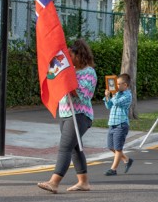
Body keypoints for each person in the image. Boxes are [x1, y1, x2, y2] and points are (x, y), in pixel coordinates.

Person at [37, 39, 97, 193]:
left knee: (65, 147)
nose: (69, 59)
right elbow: (51, 77)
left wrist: (66, 78)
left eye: (71, 56)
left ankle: (54, 182)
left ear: (80, 55)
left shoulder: (89, 72)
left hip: (80, 115)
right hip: (65, 113)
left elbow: (82, 94)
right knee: (75, 148)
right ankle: (83, 182)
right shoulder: (69, 70)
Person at [103, 73, 134, 176]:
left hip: (121, 124)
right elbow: (109, 106)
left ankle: (113, 169)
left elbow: (117, 103)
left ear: (125, 85)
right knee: (110, 146)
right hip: (112, 124)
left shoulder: (127, 95)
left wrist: (113, 94)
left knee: (118, 148)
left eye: (118, 84)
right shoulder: (116, 94)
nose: (116, 86)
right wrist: (107, 96)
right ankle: (127, 159)